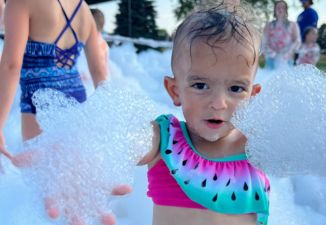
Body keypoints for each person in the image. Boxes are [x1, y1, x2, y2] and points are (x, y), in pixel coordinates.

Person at [133, 4, 270, 225]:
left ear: (252, 96)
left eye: (236, 88)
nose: (218, 103)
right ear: (175, 90)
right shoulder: (164, 139)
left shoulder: (260, 145)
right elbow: (127, 143)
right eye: (200, 85)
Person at [0, 0, 123, 224]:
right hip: (77, 101)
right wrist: (108, 120)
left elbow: (11, 65)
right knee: (72, 190)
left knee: (47, 194)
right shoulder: (83, 8)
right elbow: (99, 72)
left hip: (39, 103)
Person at [262, 0, 301, 70]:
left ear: (286, 10)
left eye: (283, 7)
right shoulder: (268, 25)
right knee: (269, 78)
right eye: (278, 7)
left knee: (287, 78)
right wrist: (270, 53)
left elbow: (297, 41)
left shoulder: (293, 25)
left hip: (287, 58)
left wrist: (289, 52)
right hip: (271, 58)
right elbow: (264, 41)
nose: (280, 9)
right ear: (274, 10)